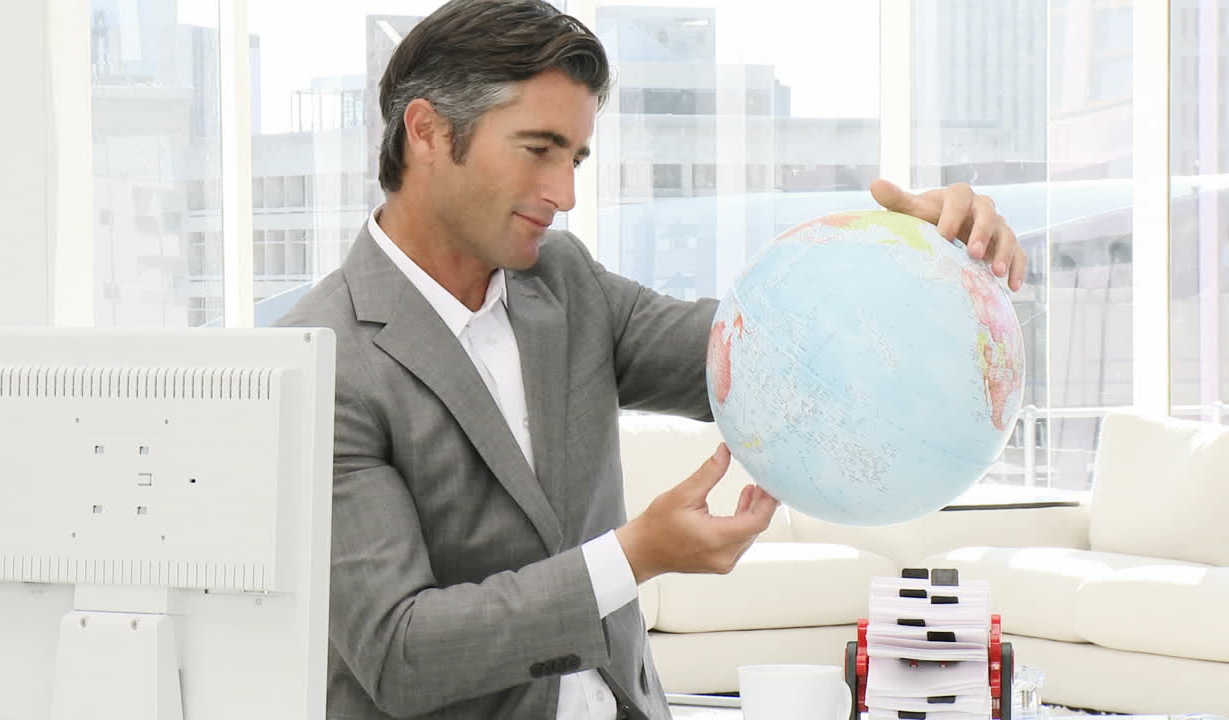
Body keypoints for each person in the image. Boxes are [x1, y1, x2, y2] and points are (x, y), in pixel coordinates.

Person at [276, 1, 1026, 718]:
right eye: (538, 150)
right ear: (429, 132)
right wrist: (632, 558)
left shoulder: (563, 284)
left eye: (575, 157)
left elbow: (768, 350)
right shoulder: (325, 362)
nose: (565, 192)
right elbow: (400, 654)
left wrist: (922, 263)